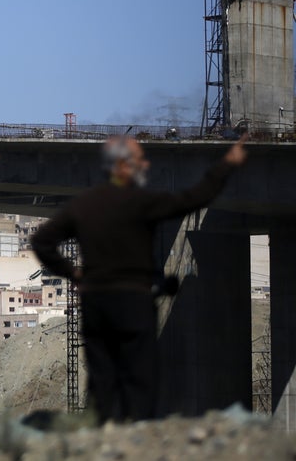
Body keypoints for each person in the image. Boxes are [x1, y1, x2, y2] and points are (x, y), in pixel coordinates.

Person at [30, 134, 248, 423]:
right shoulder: (141, 201)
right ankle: (136, 436)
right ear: (122, 165)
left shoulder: (85, 204)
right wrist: (227, 165)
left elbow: (42, 241)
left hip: (96, 303)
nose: (145, 164)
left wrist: (73, 273)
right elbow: (194, 198)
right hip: (133, 300)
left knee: (102, 377)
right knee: (140, 376)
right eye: (139, 159)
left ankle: (103, 435)